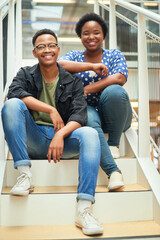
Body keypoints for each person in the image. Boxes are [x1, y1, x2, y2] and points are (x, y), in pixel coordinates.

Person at [1, 29, 104, 236]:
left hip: (61, 143)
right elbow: (15, 93)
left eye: (51, 45)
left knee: (91, 134)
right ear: (34, 52)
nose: (46, 50)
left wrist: (60, 134)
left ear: (58, 49)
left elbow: (79, 116)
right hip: (34, 137)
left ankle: (84, 208)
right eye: (41, 46)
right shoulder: (25, 74)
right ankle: (24, 175)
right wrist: (50, 109)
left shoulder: (73, 82)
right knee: (11, 105)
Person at [58, 12, 132, 191]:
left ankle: (113, 143)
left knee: (114, 91)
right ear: (80, 36)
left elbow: (120, 78)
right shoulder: (75, 56)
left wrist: (87, 89)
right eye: (86, 33)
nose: (91, 37)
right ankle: (114, 172)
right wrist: (91, 66)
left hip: (116, 113)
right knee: (85, 117)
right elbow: (58, 65)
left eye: (96, 32)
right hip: (89, 111)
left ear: (104, 35)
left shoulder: (114, 55)